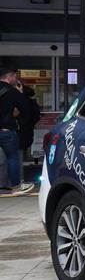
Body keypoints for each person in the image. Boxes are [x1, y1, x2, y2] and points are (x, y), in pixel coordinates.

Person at [0, 65, 37, 196]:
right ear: (9, 77)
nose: (15, 79)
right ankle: (16, 186)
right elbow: (26, 108)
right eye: (14, 76)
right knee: (12, 158)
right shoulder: (12, 91)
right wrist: (20, 94)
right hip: (6, 131)